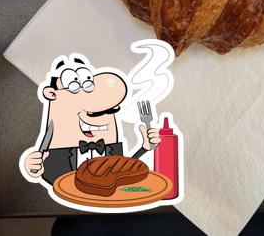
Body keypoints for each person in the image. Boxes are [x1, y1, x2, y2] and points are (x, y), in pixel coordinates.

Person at [21, 55, 161, 185]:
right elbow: (47, 174)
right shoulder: (55, 153)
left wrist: (144, 148)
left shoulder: (110, 145)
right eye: (74, 86)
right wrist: (32, 167)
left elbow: (121, 173)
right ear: (52, 94)